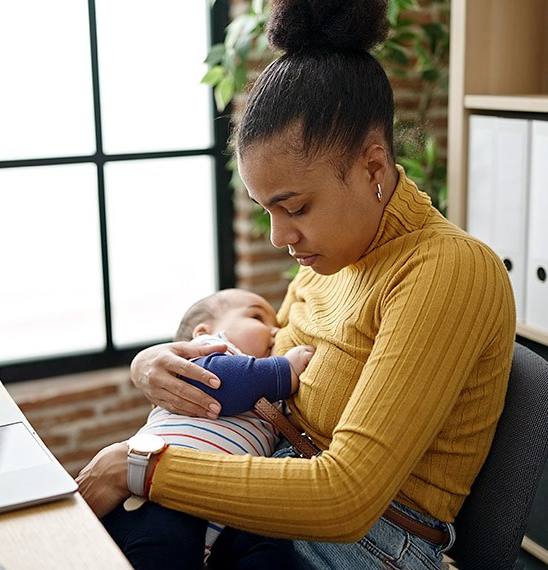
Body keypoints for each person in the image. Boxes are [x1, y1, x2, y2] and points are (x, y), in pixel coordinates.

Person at [76, 0, 517, 568]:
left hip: (363, 541)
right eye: (266, 210)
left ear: (373, 168)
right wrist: (155, 363)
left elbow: (346, 499)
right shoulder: (332, 257)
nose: (280, 236)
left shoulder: (447, 272)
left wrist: (138, 465)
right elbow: (267, 364)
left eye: (297, 208)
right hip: (274, 489)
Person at [101, 288, 314, 570]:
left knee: (271, 545)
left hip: (219, 507)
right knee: (165, 550)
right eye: (257, 316)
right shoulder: (204, 357)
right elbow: (224, 383)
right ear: (204, 332)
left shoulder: (270, 392)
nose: (274, 332)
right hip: (158, 499)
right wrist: (284, 369)